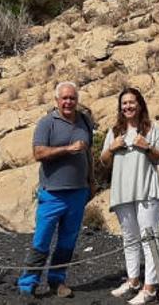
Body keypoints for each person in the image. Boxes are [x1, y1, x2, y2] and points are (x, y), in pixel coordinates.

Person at [17, 81, 94, 298]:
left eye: (72, 98)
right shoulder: (46, 123)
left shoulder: (84, 122)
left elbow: (88, 152)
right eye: (65, 98)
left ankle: (56, 281)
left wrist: (92, 180)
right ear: (57, 100)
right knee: (41, 239)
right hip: (52, 193)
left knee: (67, 241)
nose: (68, 102)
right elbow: (38, 153)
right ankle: (28, 284)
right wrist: (68, 149)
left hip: (78, 192)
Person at [100, 87, 159, 305]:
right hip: (122, 193)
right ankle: (133, 281)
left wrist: (147, 147)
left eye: (132, 102)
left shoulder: (152, 129)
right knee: (130, 238)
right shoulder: (114, 131)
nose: (128, 106)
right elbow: (103, 161)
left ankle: (150, 288)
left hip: (147, 191)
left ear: (140, 104)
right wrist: (111, 148)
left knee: (149, 239)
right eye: (124, 103)